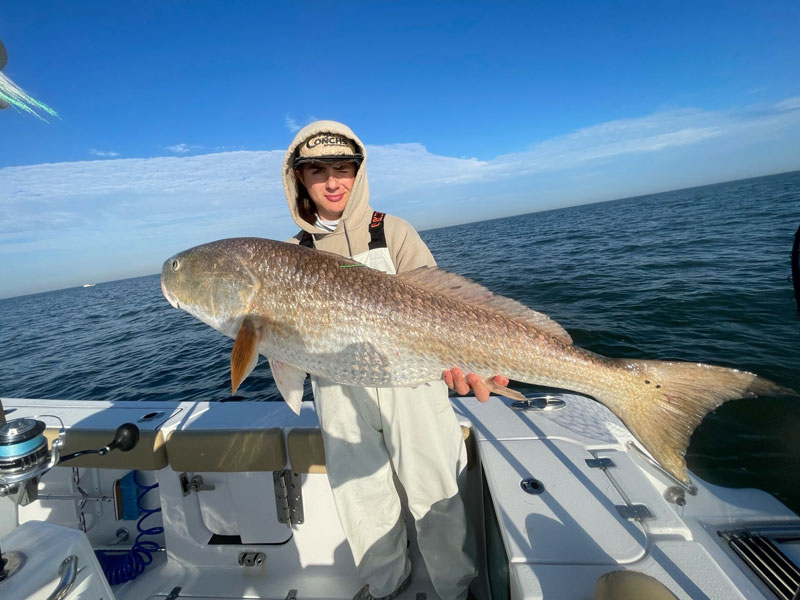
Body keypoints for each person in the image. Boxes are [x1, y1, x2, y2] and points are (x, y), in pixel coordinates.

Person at [281, 120, 506, 600]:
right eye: (317, 170)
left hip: (412, 380)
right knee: (359, 495)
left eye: (343, 168)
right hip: (337, 390)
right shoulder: (291, 255)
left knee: (434, 487)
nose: (332, 182)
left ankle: (455, 588)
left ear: (359, 173)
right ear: (298, 179)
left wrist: (466, 364)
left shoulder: (392, 232)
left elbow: (447, 308)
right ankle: (385, 585)